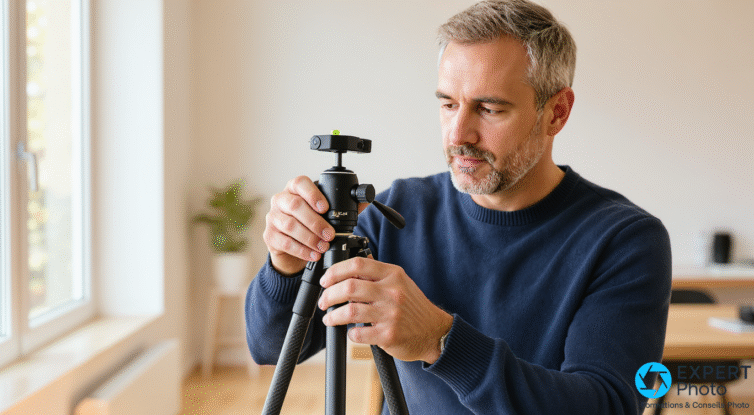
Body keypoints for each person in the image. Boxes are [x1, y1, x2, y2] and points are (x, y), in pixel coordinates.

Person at [245, 0, 672, 414]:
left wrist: (442, 341)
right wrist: (286, 265)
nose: (458, 134)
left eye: (489, 108)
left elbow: (607, 403)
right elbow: (270, 348)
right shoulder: (398, 212)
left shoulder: (625, 240)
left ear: (556, 113)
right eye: (448, 104)